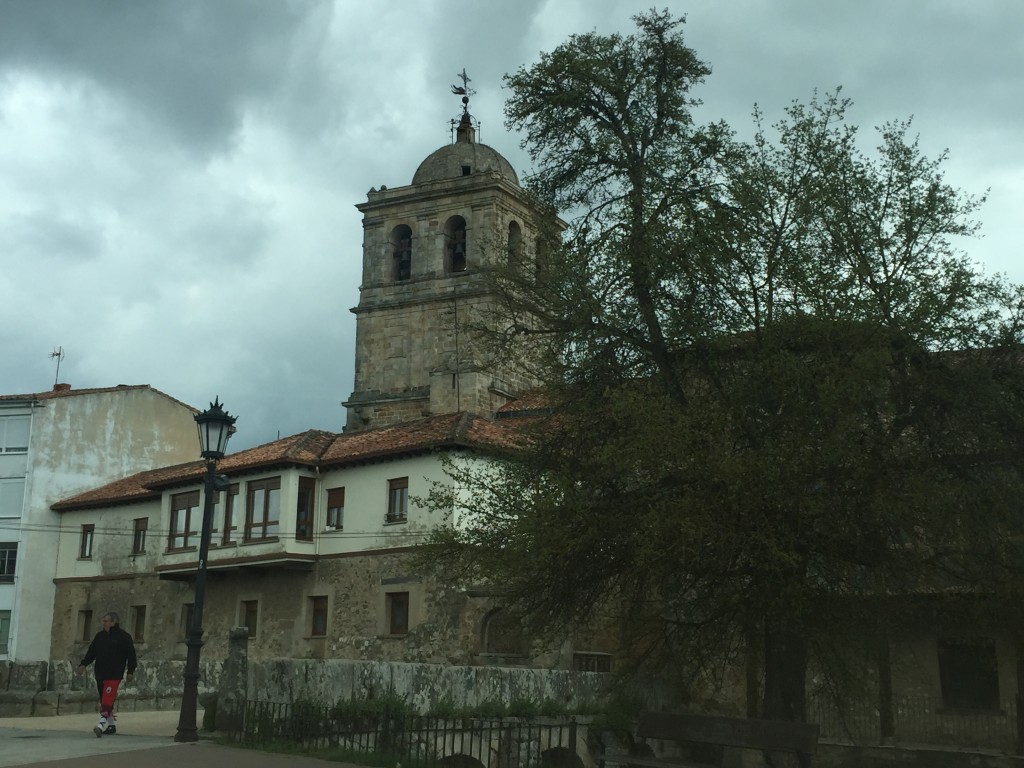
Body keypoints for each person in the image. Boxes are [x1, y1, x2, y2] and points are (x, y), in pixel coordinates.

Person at [77, 611, 137, 737]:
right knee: (105, 700)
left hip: (114, 674)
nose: (103, 623)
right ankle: (111, 726)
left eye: (105, 621)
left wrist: (131, 671)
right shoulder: (100, 636)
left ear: (113, 622)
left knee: (107, 701)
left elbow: (131, 655)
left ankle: (100, 725)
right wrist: (84, 664)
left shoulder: (124, 637)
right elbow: (92, 652)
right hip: (100, 673)